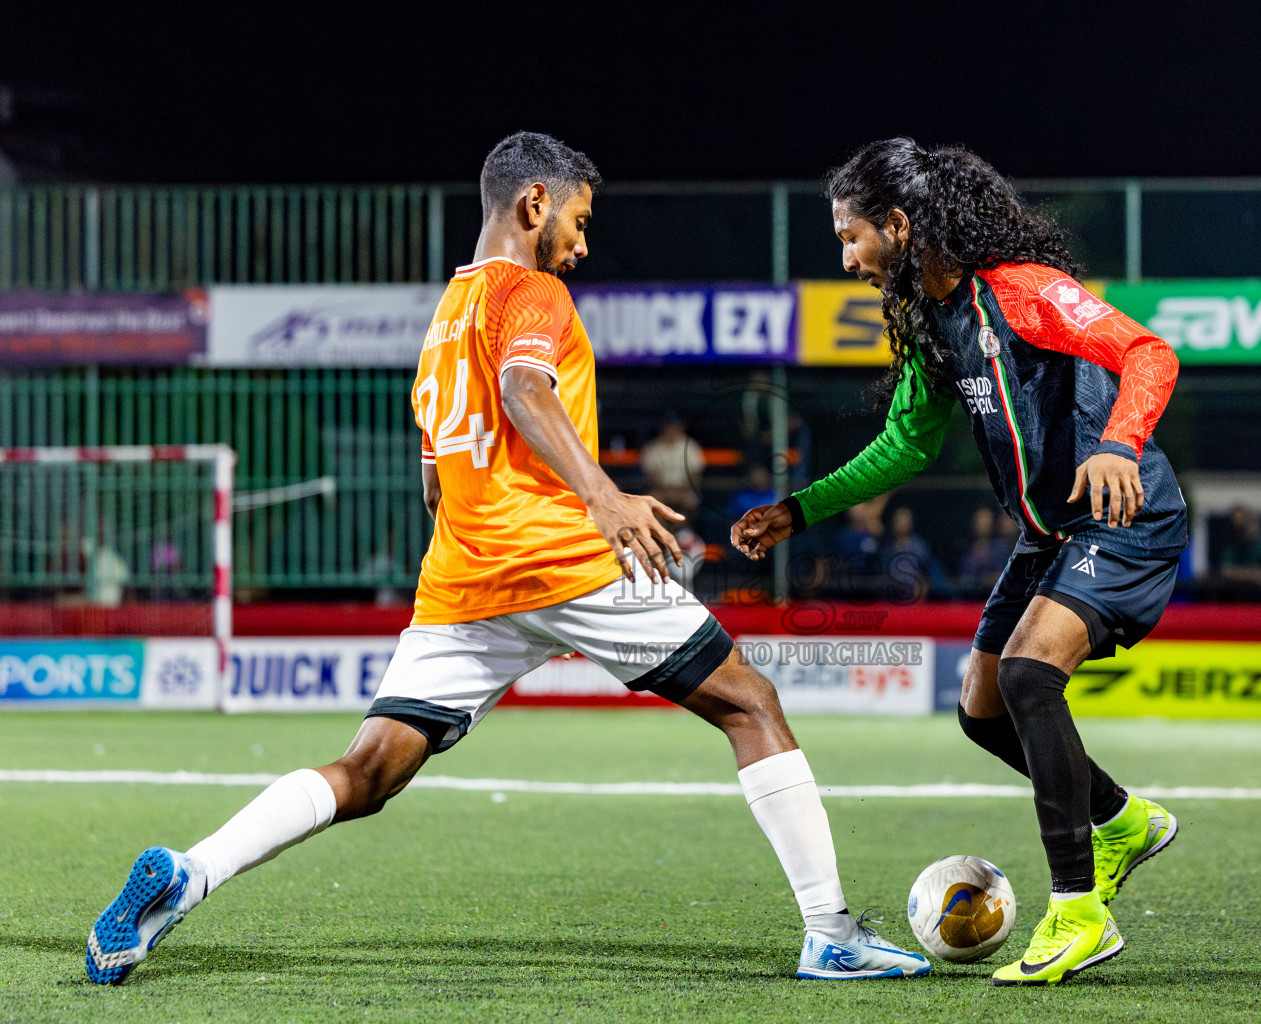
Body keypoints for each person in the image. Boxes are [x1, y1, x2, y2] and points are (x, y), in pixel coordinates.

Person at [86, 132, 929, 986]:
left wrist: (483, 544)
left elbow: (433, 486)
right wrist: (602, 497)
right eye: (578, 219)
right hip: (565, 561)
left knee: (368, 770)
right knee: (750, 703)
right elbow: (527, 390)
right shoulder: (533, 293)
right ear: (535, 205)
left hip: (463, 581)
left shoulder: (443, 324)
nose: (582, 242)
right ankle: (831, 932)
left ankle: (188, 873)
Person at [733, 139, 1186, 986]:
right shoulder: (936, 321)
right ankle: (1120, 820)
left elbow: (1148, 354)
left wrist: (1121, 443)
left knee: (1026, 676)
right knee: (982, 709)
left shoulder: (1025, 293)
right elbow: (906, 443)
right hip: (1051, 531)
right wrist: (801, 509)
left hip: (1124, 517)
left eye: (852, 237)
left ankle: (1078, 911)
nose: (847, 259)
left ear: (899, 227)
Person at [887, 507, 953, 601]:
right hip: (891, 598)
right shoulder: (887, 547)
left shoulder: (919, 546)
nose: (903, 523)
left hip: (917, 598)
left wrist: (924, 583)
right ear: (894, 523)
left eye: (906, 520)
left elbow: (931, 571)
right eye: (900, 520)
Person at [641, 415, 704, 515]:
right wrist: (666, 491)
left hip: (685, 491)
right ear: (662, 428)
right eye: (668, 427)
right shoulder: (652, 448)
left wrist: (682, 490)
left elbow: (695, 473)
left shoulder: (691, 446)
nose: (671, 430)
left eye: (675, 427)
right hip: (660, 490)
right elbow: (650, 474)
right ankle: (659, 529)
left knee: (691, 501)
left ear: (681, 428)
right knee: (652, 500)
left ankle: (683, 529)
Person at [956, 506, 1012, 597]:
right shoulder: (966, 551)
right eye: (980, 519)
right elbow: (964, 580)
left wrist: (986, 580)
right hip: (969, 600)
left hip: (996, 599)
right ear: (973, 522)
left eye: (987, 519)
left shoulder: (1000, 549)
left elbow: (1008, 576)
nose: (984, 523)